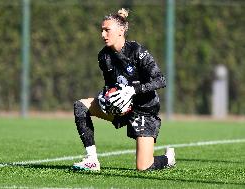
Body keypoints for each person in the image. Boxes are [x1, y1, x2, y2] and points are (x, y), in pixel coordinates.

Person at [73, 8, 175, 171]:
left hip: (144, 109)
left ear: (121, 31)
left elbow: (160, 80)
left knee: (144, 167)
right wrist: (104, 96)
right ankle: (91, 160)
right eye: (102, 30)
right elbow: (110, 84)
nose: (103, 35)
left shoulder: (137, 51)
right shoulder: (103, 56)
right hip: (122, 106)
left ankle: (168, 158)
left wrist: (133, 90)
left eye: (107, 30)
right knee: (80, 106)